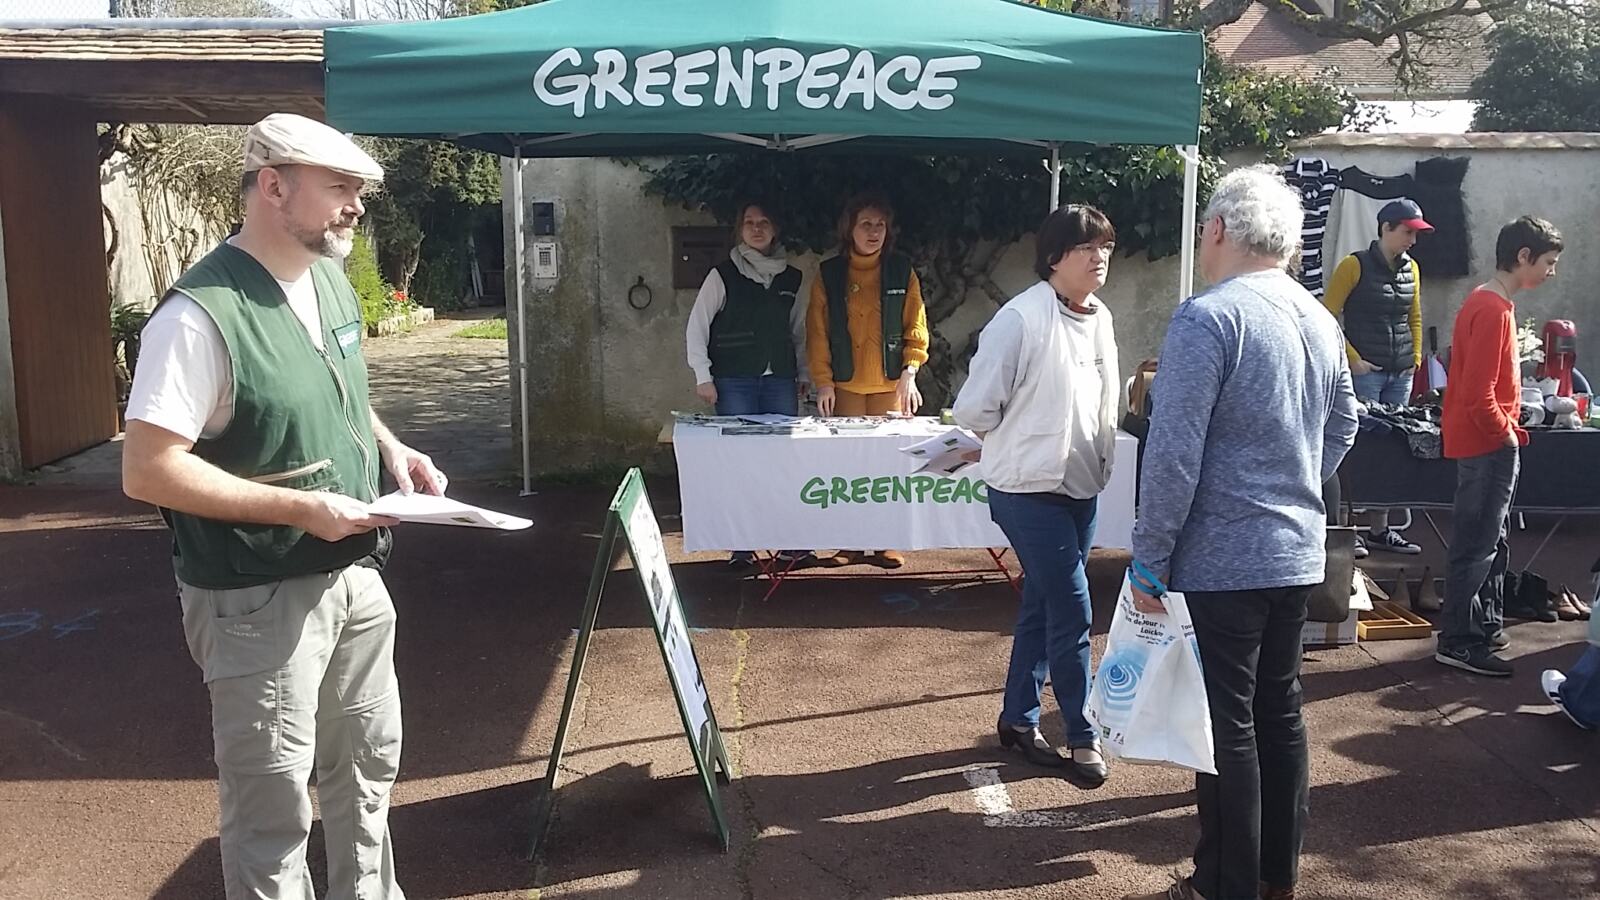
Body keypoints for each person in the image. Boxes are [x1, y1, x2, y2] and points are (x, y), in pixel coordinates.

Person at [121, 113, 442, 900]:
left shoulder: (325, 276)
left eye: (359, 191)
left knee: (368, 773)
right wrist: (298, 509)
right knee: (271, 810)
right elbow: (147, 470)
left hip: (354, 573)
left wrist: (391, 447)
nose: (356, 207)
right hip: (255, 595)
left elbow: (331, 386)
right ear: (272, 186)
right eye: (339, 188)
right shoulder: (197, 317)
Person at [1123, 166, 1359, 900]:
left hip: (1222, 553)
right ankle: (1273, 878)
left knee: (1227, 728)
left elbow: (1173, 449)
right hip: (1295, 548)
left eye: (1203, 228)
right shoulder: (1319, 318)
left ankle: (1223, 884)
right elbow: (1347, 420)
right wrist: (1295, 480)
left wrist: (1149, 557)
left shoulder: (1209, 315)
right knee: (1279, 714)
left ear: (1219, 228)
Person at [953, 204, 1121, 789]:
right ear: (1054, 258)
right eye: (1085, 248)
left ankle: (1018, 720)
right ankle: (1082, 734)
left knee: (1044, 605)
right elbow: (975, 409)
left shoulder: (1100, 317)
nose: (1099, 257)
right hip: (1026, 489)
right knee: (1073, 608)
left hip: (1082, 485)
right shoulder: (1019, 320)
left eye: (1104, 246)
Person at [1435, 216, 1563, 678]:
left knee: (1491, 540)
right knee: (1478, 543)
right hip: (1488, 443)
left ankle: (1481, 626)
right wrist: (1505, 431)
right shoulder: (1491, 308)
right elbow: (1477, 393)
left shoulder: (1490, 303)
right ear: (1523, 257)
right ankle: (1459, 638)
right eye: (1548, 262)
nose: (1552, 271)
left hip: (1488, 439)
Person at [685, 200, 816, 568]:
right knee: (740, 463)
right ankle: (742, 545)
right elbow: (697, 328)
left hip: (780, 382)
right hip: (734, 381)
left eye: (764, 222)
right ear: (739, 230)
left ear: (775, 230)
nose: (756, 228)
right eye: (748, 223)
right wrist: (704, 376)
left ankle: (790, 542)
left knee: (781, 463)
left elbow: (798, 332)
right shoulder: (722, 275)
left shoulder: (792, 277)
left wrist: (803, 374)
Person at [807, 191, 931, 568]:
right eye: (866, 224)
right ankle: (849, 543)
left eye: (880, 225)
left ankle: (886, 542)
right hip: (844, 387)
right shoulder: (828, 274)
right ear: (851, 229)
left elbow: (916, 325)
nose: (873, 232)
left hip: (889, 388)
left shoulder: (901, 270)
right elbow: (817, 331)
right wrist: (823, 381)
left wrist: (910, 372)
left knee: (888, 467)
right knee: (848, 468)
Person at [1323, 198, 1433, 557]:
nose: (1412, 241)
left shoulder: (1412, 268)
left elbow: (1414, 315)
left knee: (1390, 450)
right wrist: (1352, 359)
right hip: (1366, 373)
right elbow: (1327, 317)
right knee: (1356, 447)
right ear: (1386, 229)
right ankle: (1346, 526)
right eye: (1406, 232)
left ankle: (1380, 529)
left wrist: (1414, 358)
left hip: (1398, 371)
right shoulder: (1353, 266)